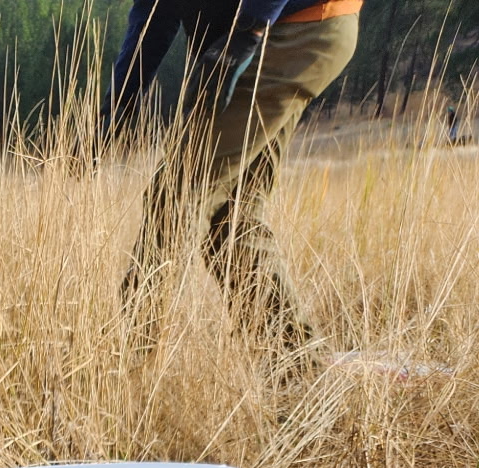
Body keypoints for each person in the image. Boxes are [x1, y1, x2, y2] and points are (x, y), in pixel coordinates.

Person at [108, 0, 361, 354]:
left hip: (284, 32)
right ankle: (299, 374)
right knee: (233, 216)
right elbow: (155, 13)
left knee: (178, 193)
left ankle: (126, 360)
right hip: (299, 31)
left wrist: (250, 29)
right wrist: (121, 102)